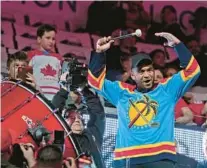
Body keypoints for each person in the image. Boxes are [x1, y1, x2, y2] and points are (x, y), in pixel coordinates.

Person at [88, 32, 200, 168]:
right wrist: (99, 52)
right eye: (141, 71)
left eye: (149, 70)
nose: (147, 75)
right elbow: (94, 81)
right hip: (127, 159)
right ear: (133, 75)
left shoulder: (166, 89)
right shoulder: (122, 92)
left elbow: (193, 70)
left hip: (161, 158)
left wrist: (178, 45)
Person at [52, 83, 106, 168]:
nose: (77, 120)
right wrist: (64, 90)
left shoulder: (92, 136)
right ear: (64, 121)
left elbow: (98, 113)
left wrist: (83, 90)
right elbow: (53, 114)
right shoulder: (60, 138)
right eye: (72, 117)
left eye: (79, 117)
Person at [27, 24, 62, 101]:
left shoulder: (59, 58)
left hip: (55, 95)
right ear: (39, 39)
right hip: (37, 93)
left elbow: (60, 76)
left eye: (53, 39)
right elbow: (27, 75)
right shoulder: (31, 55)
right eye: (48, 38)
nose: (51, 41)